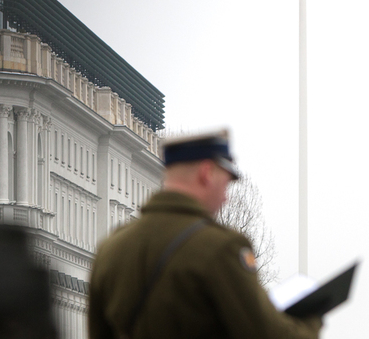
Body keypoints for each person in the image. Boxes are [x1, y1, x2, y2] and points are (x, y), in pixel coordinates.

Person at [88, 130, 322, 339]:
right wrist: (312, 316)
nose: (226, 197)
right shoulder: (221, 247)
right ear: (207, 173)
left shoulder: (111, 247)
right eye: (226, 183)